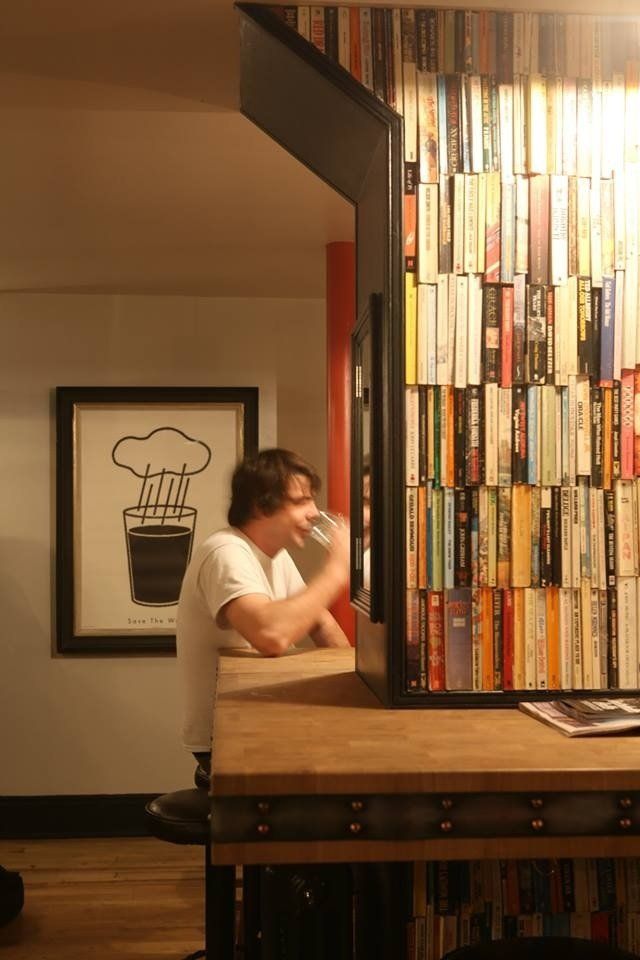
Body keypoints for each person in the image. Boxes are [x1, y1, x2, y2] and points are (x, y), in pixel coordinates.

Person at [176, 447, 350, 769]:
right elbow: (270, 635)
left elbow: (320, 623)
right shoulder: (226, 552)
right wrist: (337, 569)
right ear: (261, 505)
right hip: (225, 735)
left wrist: (356, 681)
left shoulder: (275, 555)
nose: (314, 512)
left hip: (256, 714)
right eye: (301, 501)